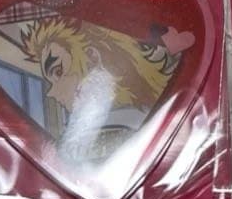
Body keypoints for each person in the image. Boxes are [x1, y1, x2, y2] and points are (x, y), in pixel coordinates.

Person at [20, 15, 177, 162]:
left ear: (93, 58)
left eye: (59, 71)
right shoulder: (146, 119)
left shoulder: (127, 127)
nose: (51, 92)